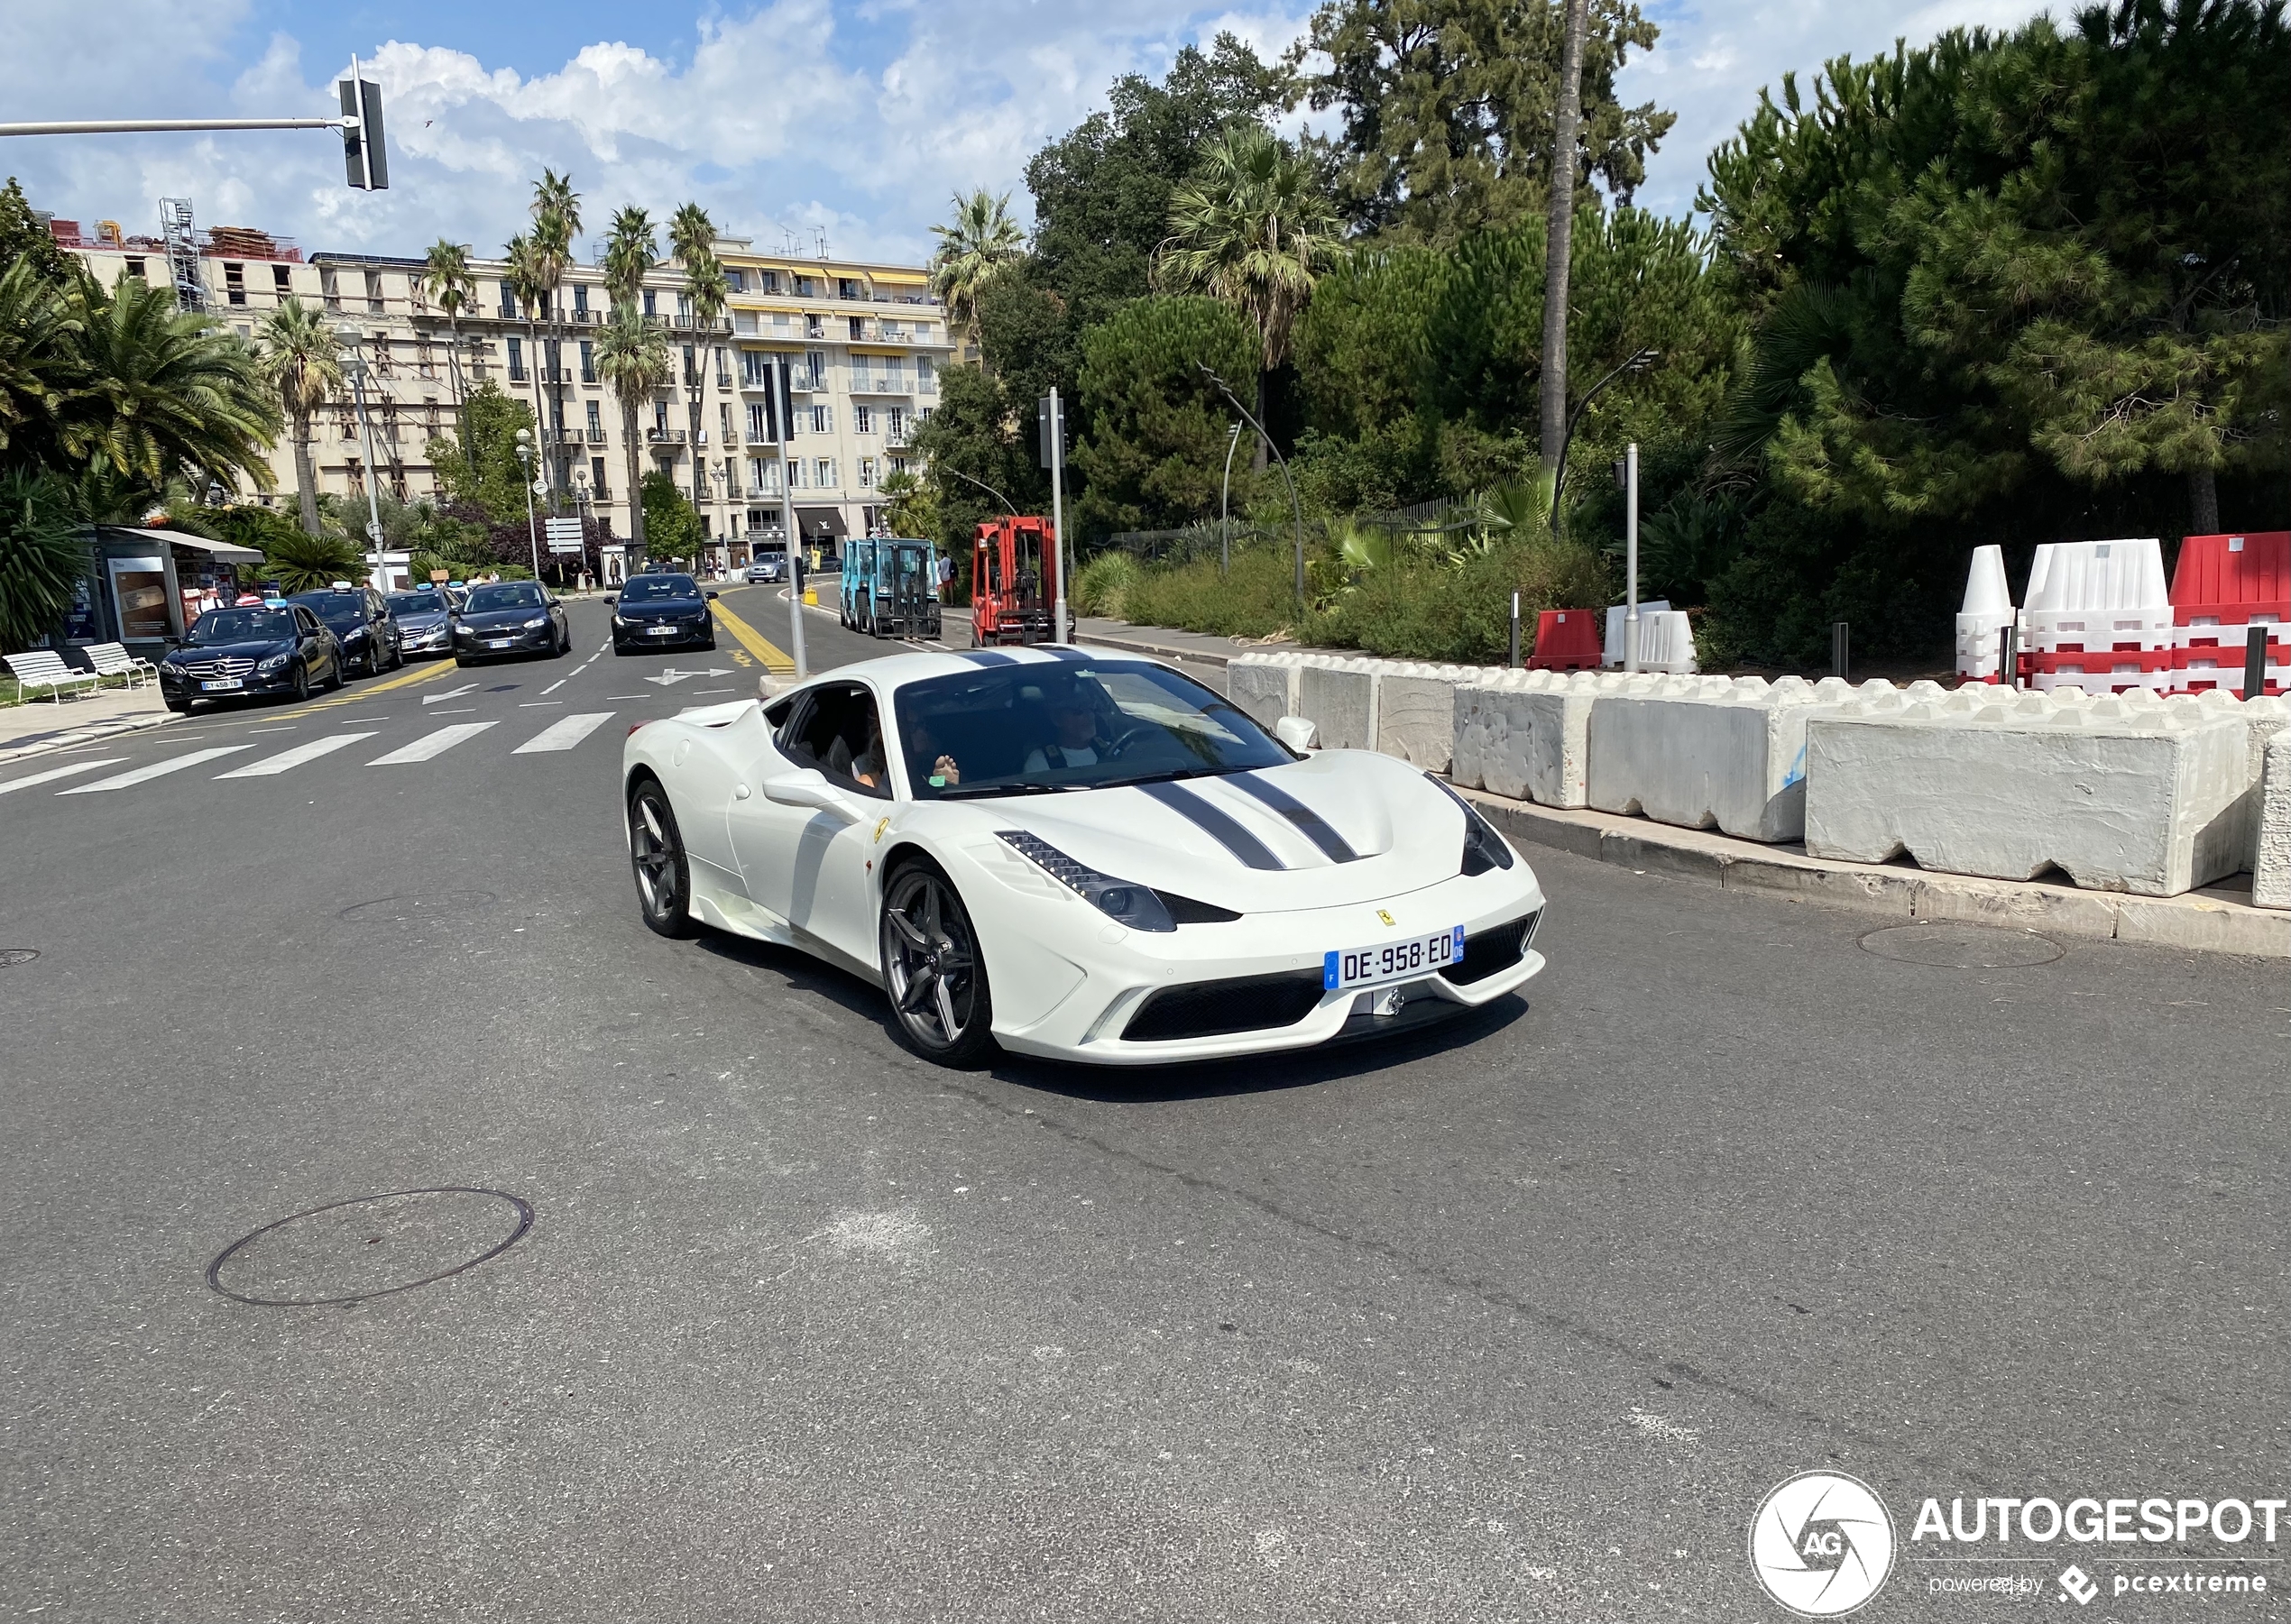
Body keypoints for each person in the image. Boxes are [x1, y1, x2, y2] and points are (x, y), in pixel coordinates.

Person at [1024, 693, 1104, 773]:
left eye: (1091, 709)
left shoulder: (1110, 750)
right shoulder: (1041, 761)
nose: (1090, 715)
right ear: (1056, 719)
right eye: (1078, 711)